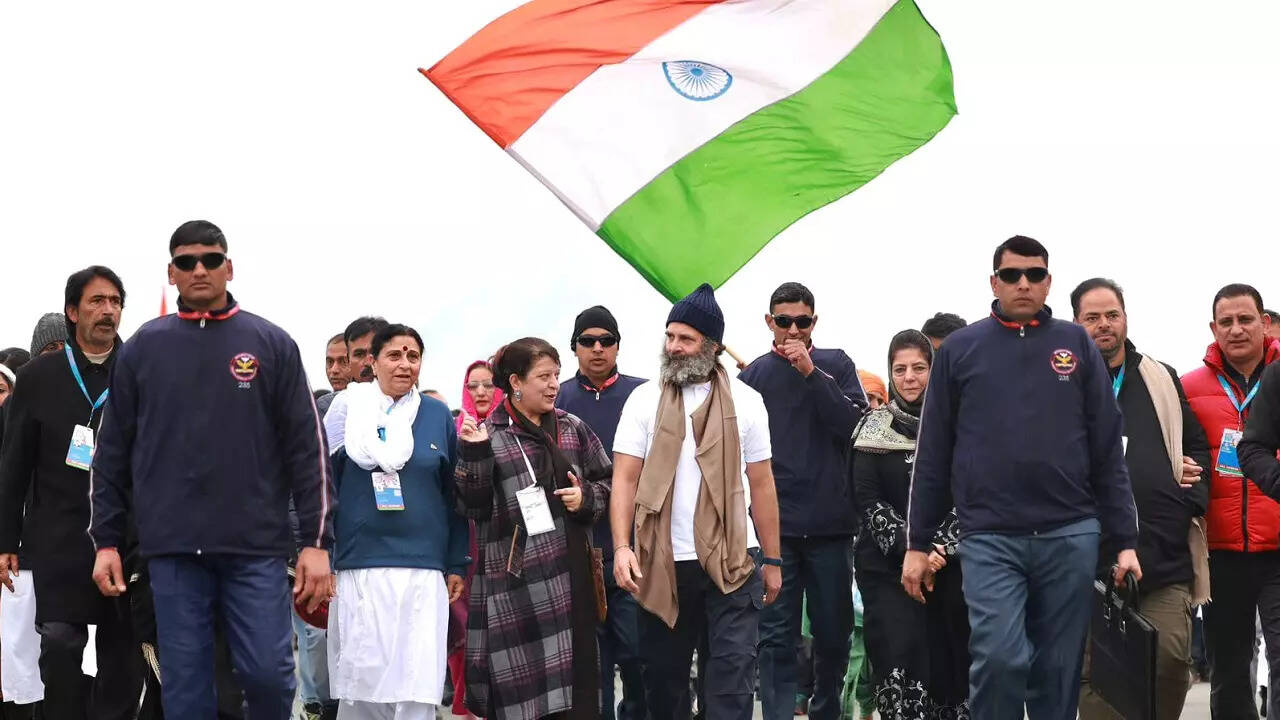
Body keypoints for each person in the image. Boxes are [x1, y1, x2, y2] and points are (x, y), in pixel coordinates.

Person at [88, 219, 335, 718]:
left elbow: (309, 451)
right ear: (171, 273)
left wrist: (316, 543)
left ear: (229, 266)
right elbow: (111, 452)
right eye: (186, 262)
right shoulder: (143, 349)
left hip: (255, 549)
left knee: (269, 676)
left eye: (211, 259)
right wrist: (106, 541)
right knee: (185, 690)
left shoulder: (271, 343)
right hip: (173, 551)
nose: (199, 269)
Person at [905, 236, 1141, 719]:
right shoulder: (960, 349)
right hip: (989, 536)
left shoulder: (1076, 344)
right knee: (1000, 659)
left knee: (1058, 671)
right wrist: (916, 543)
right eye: (1012, 275)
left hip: (1070, 533)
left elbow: (1106, 451)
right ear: (994, 282)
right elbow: (932, 454)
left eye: (1035, 274)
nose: (1024, 283)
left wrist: (1125, 541)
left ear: (1048, 282)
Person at [611, 283, 783, 720]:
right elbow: (625, 479)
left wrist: (773, 560)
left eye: (685, 339)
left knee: (730, 688)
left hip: (733, 562)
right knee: (664, 690)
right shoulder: (644, 399)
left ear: (713, 346)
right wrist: (622, 547)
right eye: (670, 336)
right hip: (661, 563)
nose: (674, 346)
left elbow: (762, 484)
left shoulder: (748, 402)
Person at [0, 266, 143, 720]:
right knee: (60, 644)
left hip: (126, 540)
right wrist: (5, 540)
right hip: (57, 539)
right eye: (97, 301)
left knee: (123, 656)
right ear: (72, 311)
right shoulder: (38, 377)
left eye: (115, 302)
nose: (108, 311)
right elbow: (14, 466)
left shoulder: (142, 373)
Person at [1070, 278, 1212, 719]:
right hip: (1084, 559)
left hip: (1160, 553)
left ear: (1126, 318)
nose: (1104, 324)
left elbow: (1196, 445)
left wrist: (1190, 500)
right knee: (1095, 675)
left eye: (1112, 314)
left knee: (1170, 661)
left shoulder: (1159, 376)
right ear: (1075, 324)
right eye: (1092, 317)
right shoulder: (1059, 382)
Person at [455, 337, 612, 720]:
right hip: (516, 589)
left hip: (571, 581)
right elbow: (471, 505)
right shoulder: (489, 435)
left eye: (556, 375)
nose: (554, 384)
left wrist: (586, 498)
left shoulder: (572, 428)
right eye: (543, 377)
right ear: (515, 382)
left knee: (577, 699)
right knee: (522, 701)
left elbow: (609, 483)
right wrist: (474, 453)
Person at [324, 323, 469, 719]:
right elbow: (322, 489)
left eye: (413, 356)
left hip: (423, 569)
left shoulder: (436, 415)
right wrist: (322, 554)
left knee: (416, 686)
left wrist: (457, 563)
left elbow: (453, 495)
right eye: (394, 355)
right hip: (359, 566)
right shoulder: (347, 410)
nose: (405, 364)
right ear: (372, 362)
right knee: (363, 689)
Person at [739, 282, 865, 720]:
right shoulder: (753, 377)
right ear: (769, 321)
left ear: (815, 321)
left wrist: (811, 372)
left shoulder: (837, 364)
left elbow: (854, 427)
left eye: (802, 321)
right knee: (776, 636)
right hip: (776, 531)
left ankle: (827, 710)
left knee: (833, 633)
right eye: (784, 321)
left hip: (832, 526)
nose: (793, 329)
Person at [851, 329, 968, 716]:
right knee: (898, 654)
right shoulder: (872, 428)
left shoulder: (959, 424)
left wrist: (937, 551)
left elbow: (972, 491)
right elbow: (868, 499)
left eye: (919, 368)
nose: (909, 377)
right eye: (900, 369)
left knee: (951, 661)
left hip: (950, 567)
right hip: (888, 569)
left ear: (934, 370)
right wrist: (911, 550)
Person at [1182, 283, 1280, 718]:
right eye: (1226, 321)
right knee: (1229, 670)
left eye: (1245, 319)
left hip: (1278, 545)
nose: (1236, 329)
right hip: (1219, 551)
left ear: (1265, 323)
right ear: (1213, 328)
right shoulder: (1187, 388)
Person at [555, 305, 648, 720]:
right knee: (592, 665)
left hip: (635, 547)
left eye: (606, 341)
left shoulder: (643, 394)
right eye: (588, 341)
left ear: (618, 346)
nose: (597, 348)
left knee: (638, 655)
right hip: (577, 547)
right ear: (574, 347)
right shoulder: (556, 399)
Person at [446, 360, 504, 720]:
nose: (480, 392)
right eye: (472, 386)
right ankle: (466, 710)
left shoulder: (511, 430)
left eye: (487, 384)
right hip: (463, 551)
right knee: (465, 633)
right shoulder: (453, 432)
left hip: (501, 546)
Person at [317, 317, 389, 419]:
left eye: (374, 352)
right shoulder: (326, 407)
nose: (368, 362)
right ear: (349, 360)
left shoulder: (411, 403)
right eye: (359, 354)